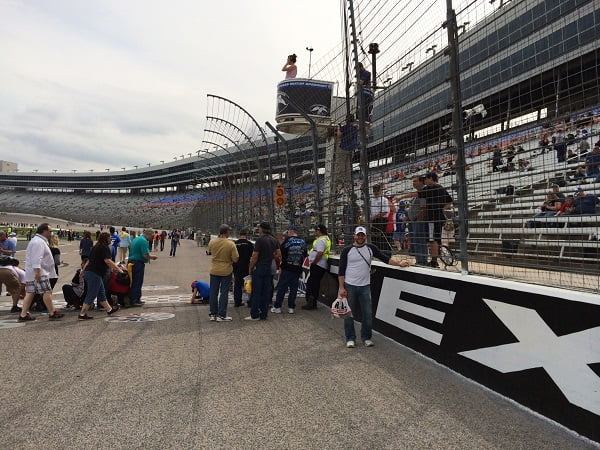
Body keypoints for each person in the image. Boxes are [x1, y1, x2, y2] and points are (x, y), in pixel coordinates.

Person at [338, 226, 409, 348]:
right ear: (354, 236)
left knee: (367, 314)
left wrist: (400, 264)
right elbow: (341, 271)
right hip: (350, 286)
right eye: (358, 235)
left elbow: (385, 259)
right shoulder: (346, 250)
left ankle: (366, 337)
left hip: (365, 286)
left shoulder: (371, 248)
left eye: (362, 235)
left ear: (365, 236)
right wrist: (341, 287)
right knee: (348, 314)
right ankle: (350, 338)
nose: (360, 237)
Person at [18, 223, 64, 321]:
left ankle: (23, 314)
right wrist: (38, 272)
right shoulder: (38, 242)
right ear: (44, 231)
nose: (51, 233)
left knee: (31, 292)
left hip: (33, 272)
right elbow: (37, 258)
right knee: (47, 291)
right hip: (39, 272)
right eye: (50, 231)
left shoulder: (37, 241)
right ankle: (52, 312)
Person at [77, 232, 123, 320]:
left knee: (101, 293)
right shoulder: (104, 247)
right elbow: (107, 261)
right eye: (109, 238)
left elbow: (89, 260)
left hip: (91, 272)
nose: (111, 239)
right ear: (106, 239)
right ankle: (82, 314)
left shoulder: (96, 247)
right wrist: (118, 269)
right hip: (94, 273)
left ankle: (109, 310)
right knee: (92, 293)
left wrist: (83, 271)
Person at [246, 222, 280, 321]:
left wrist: (250, 267)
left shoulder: (260, 240)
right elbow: (278, 254)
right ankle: (264, 314)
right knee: (266, 291)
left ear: (262, 229)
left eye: (259, 228)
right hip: (269, 267)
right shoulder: (274, 240)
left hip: (260, 267)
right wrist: (270, 257)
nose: (258, 230)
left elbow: (255, 256)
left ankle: (255, 314)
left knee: (256, 291)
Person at [272, 225, 307, 314]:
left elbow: (281, 253)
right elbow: (305, 254)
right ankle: (291, 308)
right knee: (294, 289)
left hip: (287, 268)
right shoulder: (303, 242)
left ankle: (277, 307)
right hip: (297, 268)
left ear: (290, 231)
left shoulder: (287, 241)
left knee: (282, 288)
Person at [420, 172, 453, 268]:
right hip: (439, 217)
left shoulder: (430, 188)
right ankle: (435, 260)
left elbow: (417, 194)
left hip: (432, 217)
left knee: (432, 239)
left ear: (430, 178)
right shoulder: (441, 188)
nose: (424, 181)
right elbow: (450, 201)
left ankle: (434, 262)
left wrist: (401, 197)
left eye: (425, 178)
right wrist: (442, 208)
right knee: (436, 239)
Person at [208, 224, 239, 322]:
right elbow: (236, 258)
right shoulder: (230, 244)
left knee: (213, 292)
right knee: (224, 293)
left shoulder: (212, 242)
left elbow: (209, 251)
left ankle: (213, 314)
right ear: (226, 232)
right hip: (226, 270)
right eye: (229, 231)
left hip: (214, 269)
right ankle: (221, 315)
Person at [302, 224, 330, 310]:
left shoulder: (321, 240)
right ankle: (312, 302)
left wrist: (314, 262)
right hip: (320, 264)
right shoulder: (325, 239)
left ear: (319, 231)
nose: (315, 232)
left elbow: (320, 253)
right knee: (314, 283)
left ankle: (311, 303)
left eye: (316, 231)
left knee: (312, 284)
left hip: (318, 265)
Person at [128, 229, 158, 307]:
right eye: (152, 236)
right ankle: (134, 300)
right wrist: (152, 257)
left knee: (134, 281)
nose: (152, 238)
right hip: (138, 263)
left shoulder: (136, 238)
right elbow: (145, 255)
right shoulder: (144, 241)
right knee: (137, 281)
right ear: (148, 234)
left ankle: (136, 298)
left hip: (132, 261)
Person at [232, 228, 254, 307]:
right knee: (248, 284)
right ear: (246, 235)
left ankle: (237, 302)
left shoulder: (234, 244)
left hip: (237, 267)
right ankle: (249, 301)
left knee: (237, 285)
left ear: (239, 235)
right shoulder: (250, 244)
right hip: (246, 267)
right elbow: (253, 256)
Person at [370, 184, 391, 250]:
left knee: (382, 237)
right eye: (374, 191)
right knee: (374, 237)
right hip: (374, 221)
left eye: (377, 191)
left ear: (380, 191)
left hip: (382, 220)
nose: (375, 192)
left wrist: (374, 217)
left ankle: (384, 251)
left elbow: (385, 211)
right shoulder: (371, 200)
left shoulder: (384, 200)